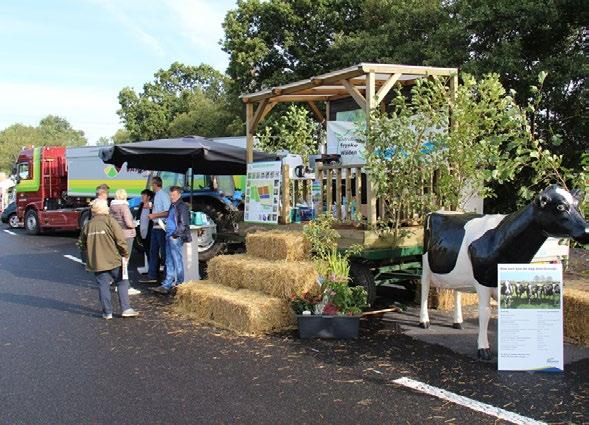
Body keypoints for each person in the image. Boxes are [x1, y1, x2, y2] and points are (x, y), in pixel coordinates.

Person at [79, 199, 139, 319]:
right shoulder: (110, 221)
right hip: (114, 259)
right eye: (107, 206)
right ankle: (126, 309)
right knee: (122, 282)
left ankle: (107, 312)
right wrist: (125, 254)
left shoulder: (88, 225)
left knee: (103, 285)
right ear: (104, 209)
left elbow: (82, 243)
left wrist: (88, 255)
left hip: (97, 262)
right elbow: (120, 240)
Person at [150, 186, 192, 294]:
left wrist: (175, 235)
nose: (171, 197)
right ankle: (167, 285)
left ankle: (179, 284)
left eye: (173, 195)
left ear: (179, 195)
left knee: (176, 260)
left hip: (174, 237)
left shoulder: (181, 206)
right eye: (170, 195)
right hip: (169, 236)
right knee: (169, 261)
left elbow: (184, 223)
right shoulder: (173, 206)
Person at [109, 189, 141, 296]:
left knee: (118, 260)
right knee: (125, 261)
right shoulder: (124, 207)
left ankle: (115, 282)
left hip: (116, 234)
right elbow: (128, 222)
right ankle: (125, 286)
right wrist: (134, 224)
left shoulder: (112, 207)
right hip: (127, 235)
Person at [139, 176, 170, 283]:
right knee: (153, 252)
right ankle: (152, 276)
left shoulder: (163, 195)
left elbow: (167, 212)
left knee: (164, 253)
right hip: (155, 227)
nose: (151, 186)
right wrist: (150, 205)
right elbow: (158, 207)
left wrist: (154, 215)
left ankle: (167, 277)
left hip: (161, 227)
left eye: (152, 184)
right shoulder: (157, 196)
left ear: (156, 184)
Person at [135, 189, 154, 266]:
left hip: (150, 234)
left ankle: (153, 271)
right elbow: (138, 218)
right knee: (147, 252)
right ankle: (150, 269)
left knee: (151, 253)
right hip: (142, 234)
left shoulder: (152, 206)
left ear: (149, 197)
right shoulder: (141, 206)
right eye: (141, 195)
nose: (142, 197)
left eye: (144, 196)